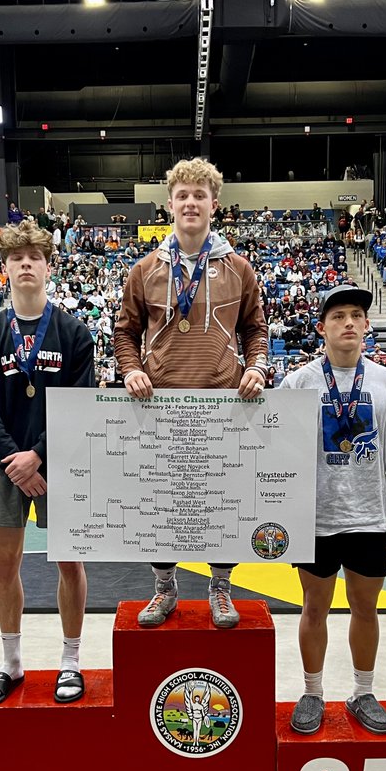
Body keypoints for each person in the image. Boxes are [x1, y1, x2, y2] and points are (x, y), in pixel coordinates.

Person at [113, 156, 269, 629]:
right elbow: (125, 332)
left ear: (214, 205)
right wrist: (130, 369)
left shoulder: (239, 268)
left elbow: (255, 329)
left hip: (224, 401)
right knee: (163, 503)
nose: (191, 203)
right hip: (160, 403)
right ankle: (164, 588)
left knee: (224, 500)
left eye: (200, 195)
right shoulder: (144, 269)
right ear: (169, 205)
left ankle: (220, 587)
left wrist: (259, 367)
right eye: (183, 195)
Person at [0, 220, 96, 704]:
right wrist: (13, 460)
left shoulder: (72, 332)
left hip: (59, 464)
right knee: (6, 562)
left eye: (34, 257)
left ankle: (70, 660)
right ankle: (12, 663)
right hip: (3, 468)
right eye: (16, 258)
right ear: (4, 269)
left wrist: (39, 454)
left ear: (48, 266)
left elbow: (80, 402)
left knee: (69, 561)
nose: (25, 264)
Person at [279, 285, 386, 736]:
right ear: (322, 328)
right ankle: (313, 692)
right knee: (313, 608)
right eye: (338, 316)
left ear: (367, 326)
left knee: (365, 608)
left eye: (357, 315)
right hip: (314, 519)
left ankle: (362, 691)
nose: (349, 323)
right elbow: (275, 449)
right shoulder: (298, 382)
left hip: (368, 517)